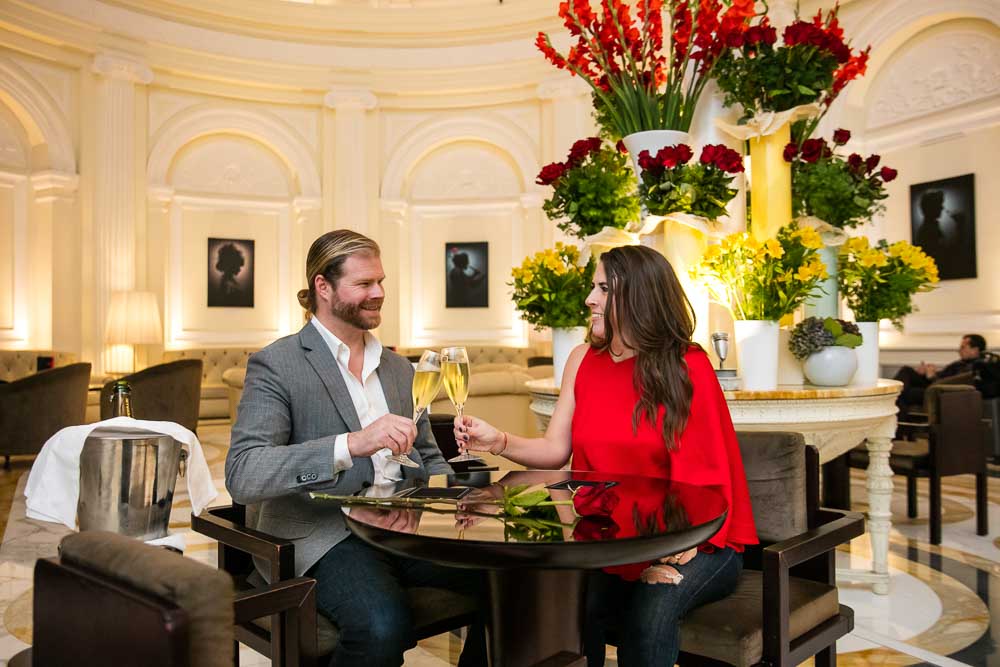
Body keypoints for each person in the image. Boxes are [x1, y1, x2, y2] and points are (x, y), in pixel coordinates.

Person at [454, 244, 758, 666]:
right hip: (606, 543)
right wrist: (498, 441)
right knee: (534, 594)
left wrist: (678, 544)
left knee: (650, 615)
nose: (589, 299)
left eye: (602, 289)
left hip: (695, 540)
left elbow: (704, 474)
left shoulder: (688, 365)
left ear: (638, 296)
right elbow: (555, 450)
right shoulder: (582, 360)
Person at [226, 229, 486, 667]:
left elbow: (427, 454)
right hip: (324, 534)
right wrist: (351, 445)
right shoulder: (278, 363)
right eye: (364, 284)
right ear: (321, 287)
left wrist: (455, 495)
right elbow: (244, 473)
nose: (379, 293)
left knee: (513, 578)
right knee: (381, 626)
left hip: (406, 529)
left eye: (380, 282)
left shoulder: (401, 369)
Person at [894, 334, 987, 415]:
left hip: (939, 392)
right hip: (934, 384)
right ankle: (895, 393)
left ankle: (893, 395)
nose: (959, 350)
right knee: (906, 370)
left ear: (975, 350)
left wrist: (932, 377)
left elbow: (953, 383)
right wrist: (927, 372)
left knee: (903, 394)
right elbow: (943, 375)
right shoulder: (960, 363)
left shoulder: (975, 366)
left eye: (963, 347)